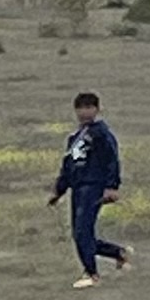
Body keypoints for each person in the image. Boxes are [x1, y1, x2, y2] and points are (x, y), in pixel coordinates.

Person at [50, 89, 128, 284]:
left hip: (94, 187)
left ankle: (91, 273)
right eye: (81, 108)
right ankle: (117, 252)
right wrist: (59, 190)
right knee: (79, 233)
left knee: (83, 231)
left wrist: (111, 186)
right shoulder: (74, 138)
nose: (84, 112)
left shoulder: (101, 134)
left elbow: (111, 160)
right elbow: (68, 167)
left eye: (89, 107)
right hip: (77, 188)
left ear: (97, 109)